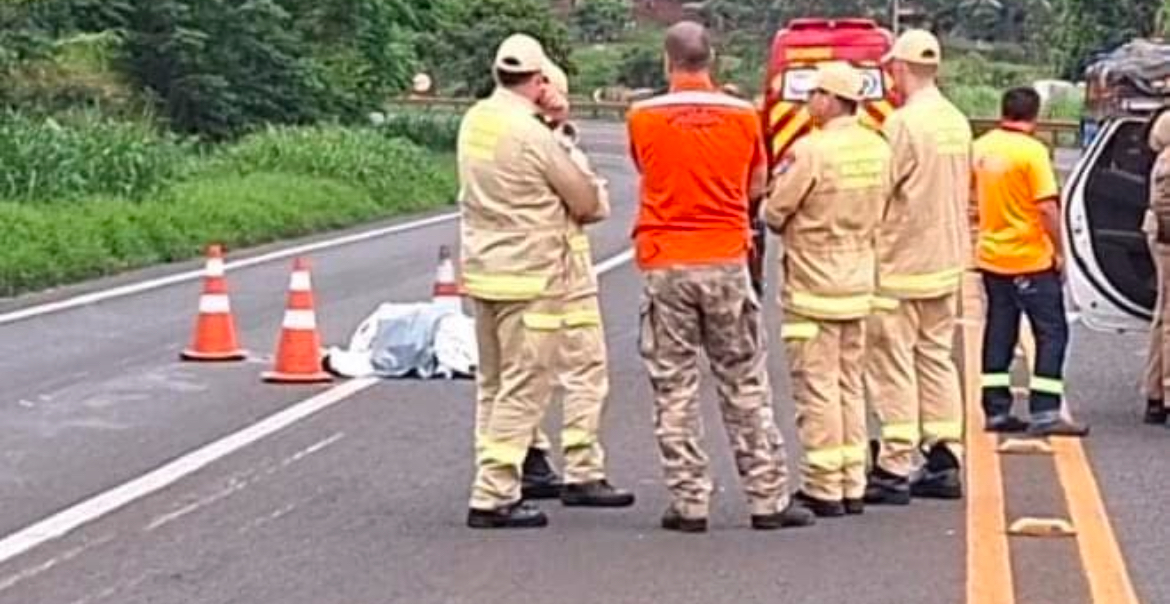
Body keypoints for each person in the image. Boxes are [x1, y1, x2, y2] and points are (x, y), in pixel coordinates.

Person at [627, 20, 814, 533]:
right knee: (743, 378)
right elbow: (756, 182)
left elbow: (647, 170)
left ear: (668, 62)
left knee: (675, 385)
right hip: (726, 256)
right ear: (713, 59)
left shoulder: (642, 116)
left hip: (666, 259)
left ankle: (689, 502)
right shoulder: (742, 115)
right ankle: (767, 497)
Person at [459, 34, 632, 529]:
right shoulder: (534, 134)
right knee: (524, 385)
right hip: (533, 275)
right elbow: (588, 202)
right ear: (539, 82)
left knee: (494, 383)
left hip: (486, 271)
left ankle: (507, 472)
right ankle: (493, 493)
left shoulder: (476, 121)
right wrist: (561, 131)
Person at [765, 62, 892, 518]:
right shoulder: (879, 149)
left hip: (813, 285)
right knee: (850, 386)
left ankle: (823, 486)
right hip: (860, 282)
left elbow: (775, 210)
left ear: (832, 98)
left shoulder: (811, 151)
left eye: (814, 93)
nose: (807, 102)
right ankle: (853, 481)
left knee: (817, 388)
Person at [864, 30, 971, 506]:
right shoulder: (956, 121)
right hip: (946, 261)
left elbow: (881, 190)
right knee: (935, 357)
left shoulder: (903, 124)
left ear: (900, 69)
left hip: (900, 262)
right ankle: (945, 455)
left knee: (892, 363)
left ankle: (893, 462)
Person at [518, 62, 630, 508]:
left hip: (515, 274)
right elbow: (593, 204)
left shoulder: (499, 144)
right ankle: (583, 470)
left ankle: (526, 458)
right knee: (584, 371)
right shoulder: (557, 151)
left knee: (520, 373)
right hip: (565, 273)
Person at [972, 87, 1090, 437]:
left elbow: (969, 196)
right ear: (1035, 116)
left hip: (992, 256)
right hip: (1029, 258)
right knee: (1052, 332)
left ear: (1003, 111)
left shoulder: (980, 148)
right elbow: (1046, 207)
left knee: (999, 331)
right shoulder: (1033, 153)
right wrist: (1060, 251)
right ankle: (1045, 411)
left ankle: (995, 409)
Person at [1141, 109, 1170, 425]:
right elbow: (1166, 205)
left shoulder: (1162, 158)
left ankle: (1155, 393)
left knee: (1162, 317)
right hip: (1168, 238)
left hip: (1161, 236)